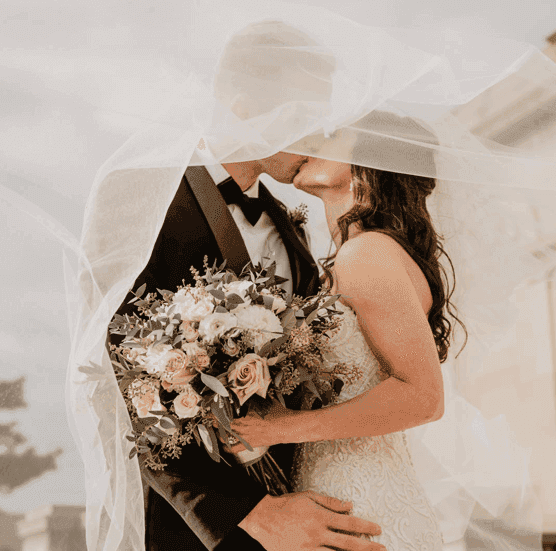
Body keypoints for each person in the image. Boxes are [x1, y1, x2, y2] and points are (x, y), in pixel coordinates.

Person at [108, 20, 388, 551]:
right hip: (194, 531)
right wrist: (246, 516)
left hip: (305, 511)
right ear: (241, 102)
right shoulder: (139, 195)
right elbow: (114, 376)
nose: (317, 135)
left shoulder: (292, 227)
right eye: (304, 114)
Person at [227, 117, 454, 550]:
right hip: (334, 496)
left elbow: (424, 397)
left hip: (359, 501)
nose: (308, 138)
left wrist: (280, 428)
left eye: (331, 135)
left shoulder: (366, 255)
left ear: (369, 162)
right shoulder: (356, 255)